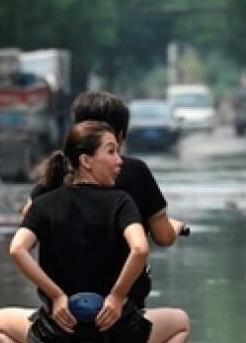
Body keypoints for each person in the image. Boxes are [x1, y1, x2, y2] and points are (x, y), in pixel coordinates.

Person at [0, 121, 191, 343]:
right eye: (111, 152)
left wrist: (56, 297)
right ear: (86, 160)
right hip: (117, 330)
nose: (119, 160)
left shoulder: (43, 204)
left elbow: (17, 249)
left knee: (0, 322)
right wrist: (117, 297)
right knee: (180, 323)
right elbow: (140, 249)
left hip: (60, 330)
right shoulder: (121, 202)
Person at [23, 91, 187, 307]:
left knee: (4, 324)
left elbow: (26, 224)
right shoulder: (133, 174)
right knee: (179, 324)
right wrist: (176, 226)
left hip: (61, 302)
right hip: (123, 303)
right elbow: (163, 237)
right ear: (118, 136)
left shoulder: (55, 171)